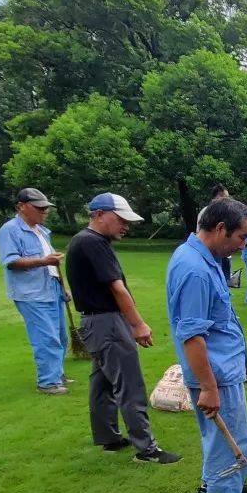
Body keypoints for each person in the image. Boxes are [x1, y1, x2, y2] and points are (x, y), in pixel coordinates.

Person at [65, 193, 180, 464]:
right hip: (106, 322)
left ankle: (108, 437)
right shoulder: (94, 243)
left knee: (102, 381)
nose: (125, 226)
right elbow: (117, 288)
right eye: (120, 220)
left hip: (94, 323)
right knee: (129, 384)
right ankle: (147, 449)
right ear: (99, 215)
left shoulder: (84, 241)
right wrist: (137, 324)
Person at [167, 197, 247, 493]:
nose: (242, 245)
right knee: (230, 439)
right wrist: (208, 387)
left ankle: (216, 487)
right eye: (240, 238)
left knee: (217, 437)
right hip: (216, 375)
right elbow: (192, 336)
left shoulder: (201, 259)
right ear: (221, 229)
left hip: (220, 371)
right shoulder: (194, 270)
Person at [0, 186, 69, 395]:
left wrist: (62, 287)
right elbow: (11, 262)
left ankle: (57, 374)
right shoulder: (10, 230)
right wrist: (43, 261)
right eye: (39, 208)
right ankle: (47, 382)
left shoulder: (42, 231)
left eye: (46, 208)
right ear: (21, 207)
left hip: (52, 288)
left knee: (61, 337)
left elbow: (51, 264)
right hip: (31, 293)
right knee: (46, 337)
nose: (44, 212)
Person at [208, 185, 233, 283]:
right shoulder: (207, 212)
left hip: (223, 257)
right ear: (217, 197)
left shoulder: (224, 214)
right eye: (225, 198)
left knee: (224, 285)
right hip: (213, 257)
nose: (228, 201)